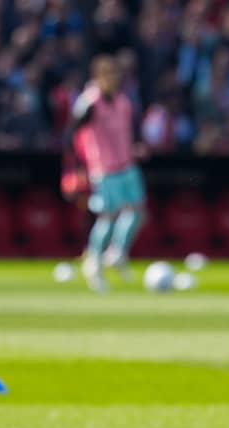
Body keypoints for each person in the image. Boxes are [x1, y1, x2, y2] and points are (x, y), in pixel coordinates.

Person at [66, 54, 147, 292]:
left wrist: (137, 145)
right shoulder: (89, 102)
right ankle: (94, 262)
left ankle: (118, 252)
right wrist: (78, 166)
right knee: (107, 217)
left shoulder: (123, 101)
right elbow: (71, 134)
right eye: (108, 75)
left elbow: (131, 129)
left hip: (127, 164)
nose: (113, 79)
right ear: (98, 77)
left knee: (138, 211)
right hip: (103, 167)